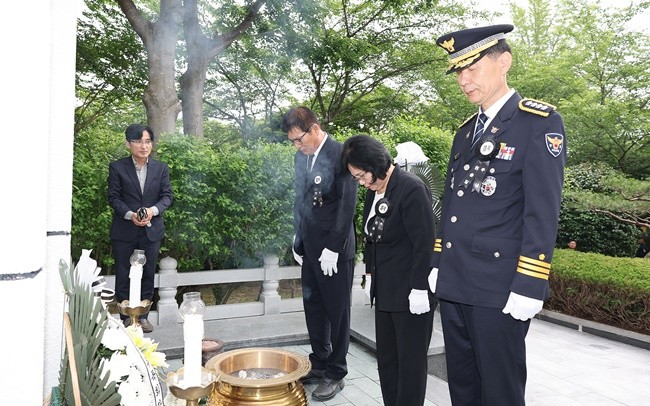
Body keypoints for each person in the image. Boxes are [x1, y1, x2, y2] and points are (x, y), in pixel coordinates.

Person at [431, 24, 567, 405]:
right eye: (458, 71)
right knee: (463, 389)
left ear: (503, 62)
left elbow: (542, 211)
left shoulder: (537, 123)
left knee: (500, 392)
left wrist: (531, 282)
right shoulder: (465, 132)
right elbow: (452, 205)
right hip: (455, 282)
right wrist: (438, 261)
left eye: (472, 67)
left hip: (498, 289)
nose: (464, 80)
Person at [341, 135, 436, 406]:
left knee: (410, 364)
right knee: (388, 360)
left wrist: (419, 287)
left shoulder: (411, 188)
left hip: (410, 292)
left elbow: (425, 242)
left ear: (376, 164)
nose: (361, 183)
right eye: (356, 178)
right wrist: (370, 275)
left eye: (362, 175)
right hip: (385, 291)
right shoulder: (374, 191)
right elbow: (371, 237)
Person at [280, 106, 358, 401]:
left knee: (337, 311)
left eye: (299, 139)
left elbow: (346, 205)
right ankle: (320, 361)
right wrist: (297, 237)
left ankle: (336, 371)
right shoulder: (301, 157)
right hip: (310, 247)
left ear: (314, 128)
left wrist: (333, 248)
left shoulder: (342, 154)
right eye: (292, 141)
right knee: (313, 306)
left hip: (335, 250)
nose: (297, 146)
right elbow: (300, 198)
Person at [108, 124, 173, 333]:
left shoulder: (161, 168)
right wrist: (131, 215)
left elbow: (167, 197)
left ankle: (143, 317)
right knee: (123, 273)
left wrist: (152, 211)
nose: (143, 146)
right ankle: (126, 318)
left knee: (147, 273)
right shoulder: (117, 167)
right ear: (128, 144)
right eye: (138, 141)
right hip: (124, 230)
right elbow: (114, 198)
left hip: (151, 230)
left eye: (147, 141)